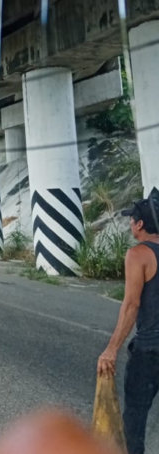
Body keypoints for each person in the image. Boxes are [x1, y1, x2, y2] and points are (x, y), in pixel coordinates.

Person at [97, 187, 159, 454]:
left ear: (140, 224)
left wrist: (111, 349)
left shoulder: (138, 255)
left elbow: (132, 305)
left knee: (134, 421)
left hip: (150, 352)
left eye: (131, 220)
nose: (130, 224)